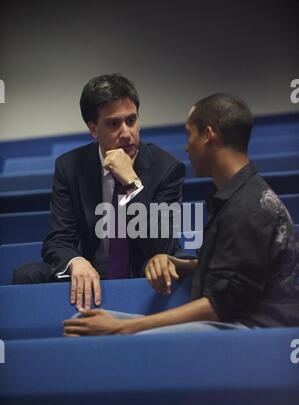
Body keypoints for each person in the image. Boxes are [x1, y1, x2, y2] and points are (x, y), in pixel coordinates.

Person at [63, 93, 299, 336]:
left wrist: (123, 327)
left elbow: (220, 305)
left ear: (208, 136)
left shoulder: (248, 208)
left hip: (252, 330)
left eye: (189, 134)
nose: (186, 146)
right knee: (81, 322)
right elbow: (233, 270)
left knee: (94, 331)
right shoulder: (238, 196)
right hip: (231, 319)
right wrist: (179, 264)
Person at [13, 74, 185, 310]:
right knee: (28, 274)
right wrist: (76, 261)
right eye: (114, 124)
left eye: (131, 120)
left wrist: (132, 184)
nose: (126, 133)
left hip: (145, 274)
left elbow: (163, 247)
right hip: (91, 273)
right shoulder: (70, 167)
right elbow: (58, 239)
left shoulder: (167, 168)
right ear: (93, 129)